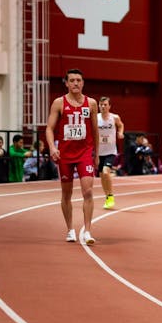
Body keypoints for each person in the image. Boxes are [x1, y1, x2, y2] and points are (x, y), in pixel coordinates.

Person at [46, 68, 100, 245]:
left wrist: (97, 154)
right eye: (72, 80)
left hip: (84, 153)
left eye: (78, 80)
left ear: (83, 83)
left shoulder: (91, 103)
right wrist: (52, 148)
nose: (75, 83)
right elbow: (49, 129)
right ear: (66, 83)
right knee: (66, 193)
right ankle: (70, 229)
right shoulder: (59, 103)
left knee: (88, 191)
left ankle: (88, 231)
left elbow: (94, 130)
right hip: (65, 155)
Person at [96, 96, 124, 209]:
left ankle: (111, 196)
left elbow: (121, 125)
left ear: (109, 106)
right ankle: (107, 197)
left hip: (111, 151)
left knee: (106, 172)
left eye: (105, 105)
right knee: (102, 176)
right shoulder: (95, 117)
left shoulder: (114, 117)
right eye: (101, 105)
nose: (103, 106)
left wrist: (120, 133)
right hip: (99, 151)